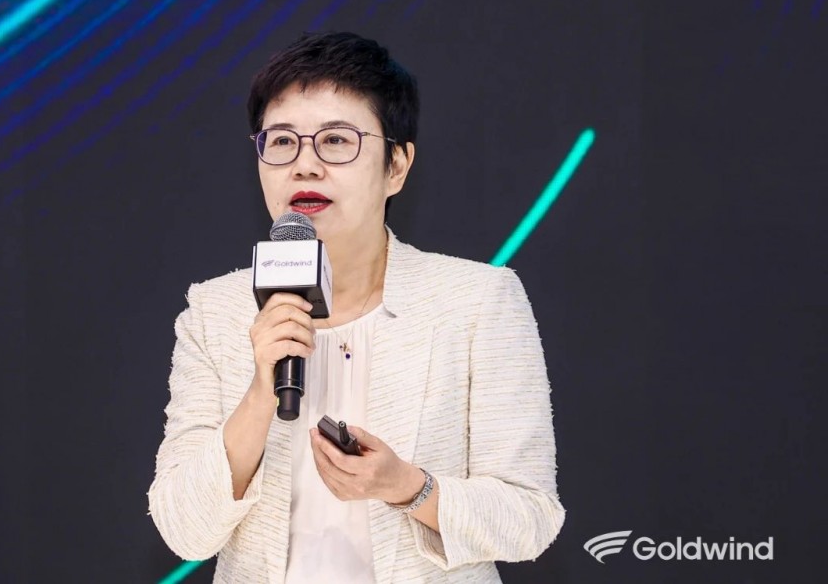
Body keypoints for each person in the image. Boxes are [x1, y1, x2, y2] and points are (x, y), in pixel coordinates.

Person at [147, 31, 564, 582]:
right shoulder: (215, 310)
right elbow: (184, 530)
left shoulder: (477, 301)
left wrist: (407, 487)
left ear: (397, 165)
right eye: (282, 141)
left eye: (336, 140)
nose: (304, 165)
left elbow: (530, 519)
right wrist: (260, 391)